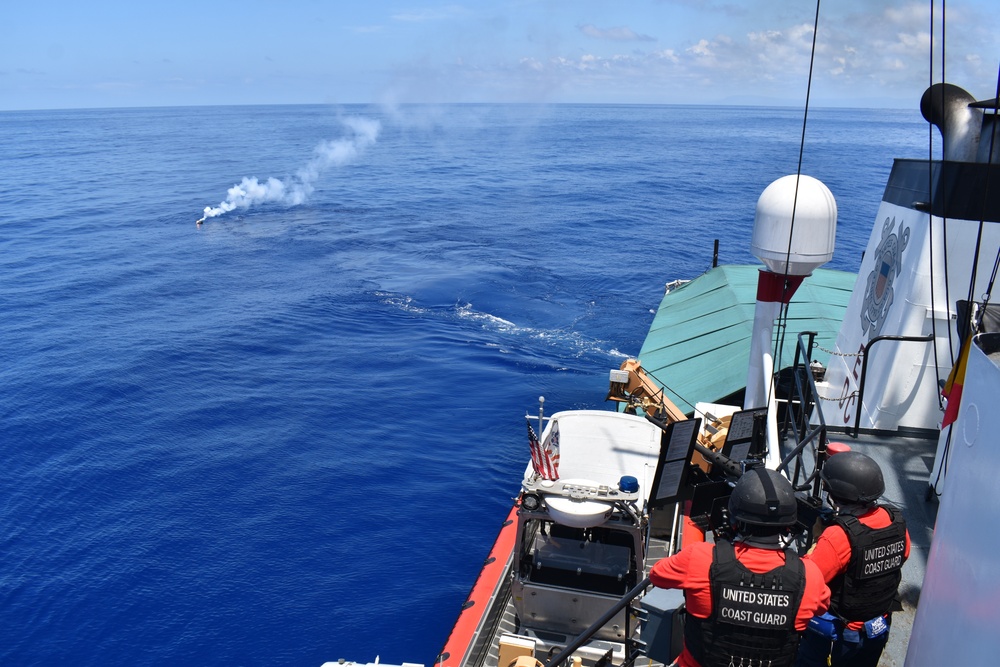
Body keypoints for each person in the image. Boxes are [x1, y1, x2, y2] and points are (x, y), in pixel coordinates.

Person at [651, 467, 830, 667]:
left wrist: (723, 546)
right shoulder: (808, 575)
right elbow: (822, 606)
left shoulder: (700, 558)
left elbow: (657, 574)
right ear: (789, 525)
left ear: (735, 518)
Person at [796, 451, 910, 667]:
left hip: (844, 633)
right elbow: (903, 555)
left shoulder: (839, 536)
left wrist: (818, 539)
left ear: (836, 495)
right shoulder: (896, 520)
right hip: (878, 624)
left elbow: (808, 578)